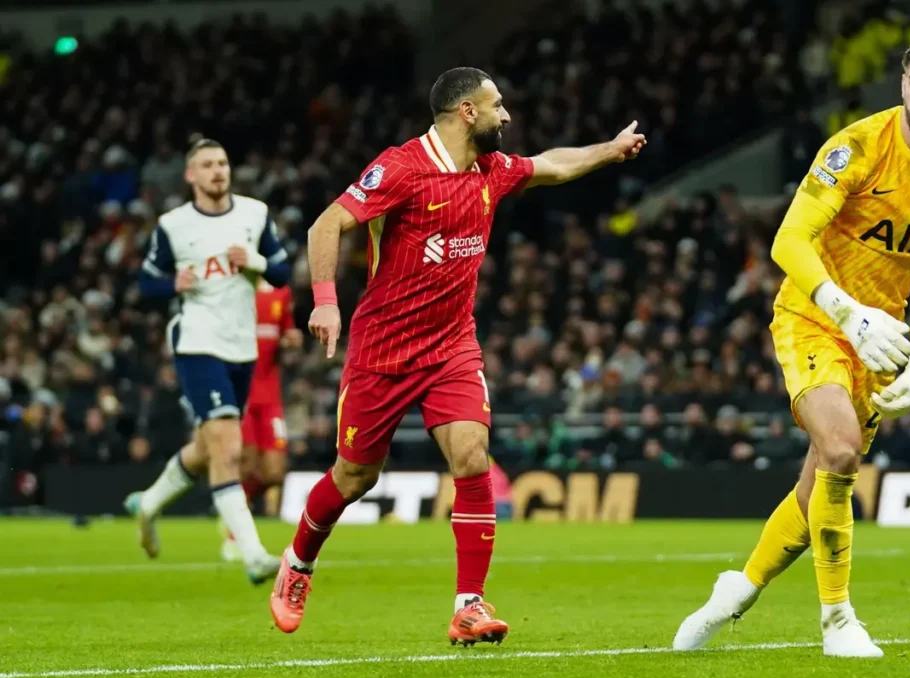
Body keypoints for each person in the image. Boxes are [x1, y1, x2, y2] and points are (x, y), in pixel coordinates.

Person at [267, 67, 645, 642]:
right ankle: (297, 564)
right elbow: (327, 225)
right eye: (498, 106)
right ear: (467, 112)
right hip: (383, 351)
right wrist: (324, 303)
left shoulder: (490, 170)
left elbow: (551, 164)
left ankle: (469, 605)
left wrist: (609, 151)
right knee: (354, 477)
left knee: (471, 458)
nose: (507, 116)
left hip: (451, 347)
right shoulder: (401, 168)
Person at [673, 35, 910, 658]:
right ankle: (838, 620)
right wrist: (848, 312)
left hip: (882, 341)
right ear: (901, 82)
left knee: (814, 487)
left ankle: (737, 590)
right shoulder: (856, 148)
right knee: (842, 451)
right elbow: (789, 241)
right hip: (816, 316)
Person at [125, 138, 293, 584]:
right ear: (191, 175)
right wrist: (172, 284)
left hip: (243, 346)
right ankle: (253, 552)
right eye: (208, 165)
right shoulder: (173, 225)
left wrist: (253, 259)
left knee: (206, 449)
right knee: (228, 445)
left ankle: (148, 505)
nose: (218, 170)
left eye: (223, 162)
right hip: (197, 342)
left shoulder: (254, 214)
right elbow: (145, 285)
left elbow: (282, 272)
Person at [222, 280, 302, 562]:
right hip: (241, 394)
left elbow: (286, 334)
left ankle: (235, 512)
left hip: (270, 397)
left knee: (273, 473)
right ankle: (235, 533)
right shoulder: (234, 290)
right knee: (246, 463)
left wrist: (291, 340)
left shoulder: (281, 294)